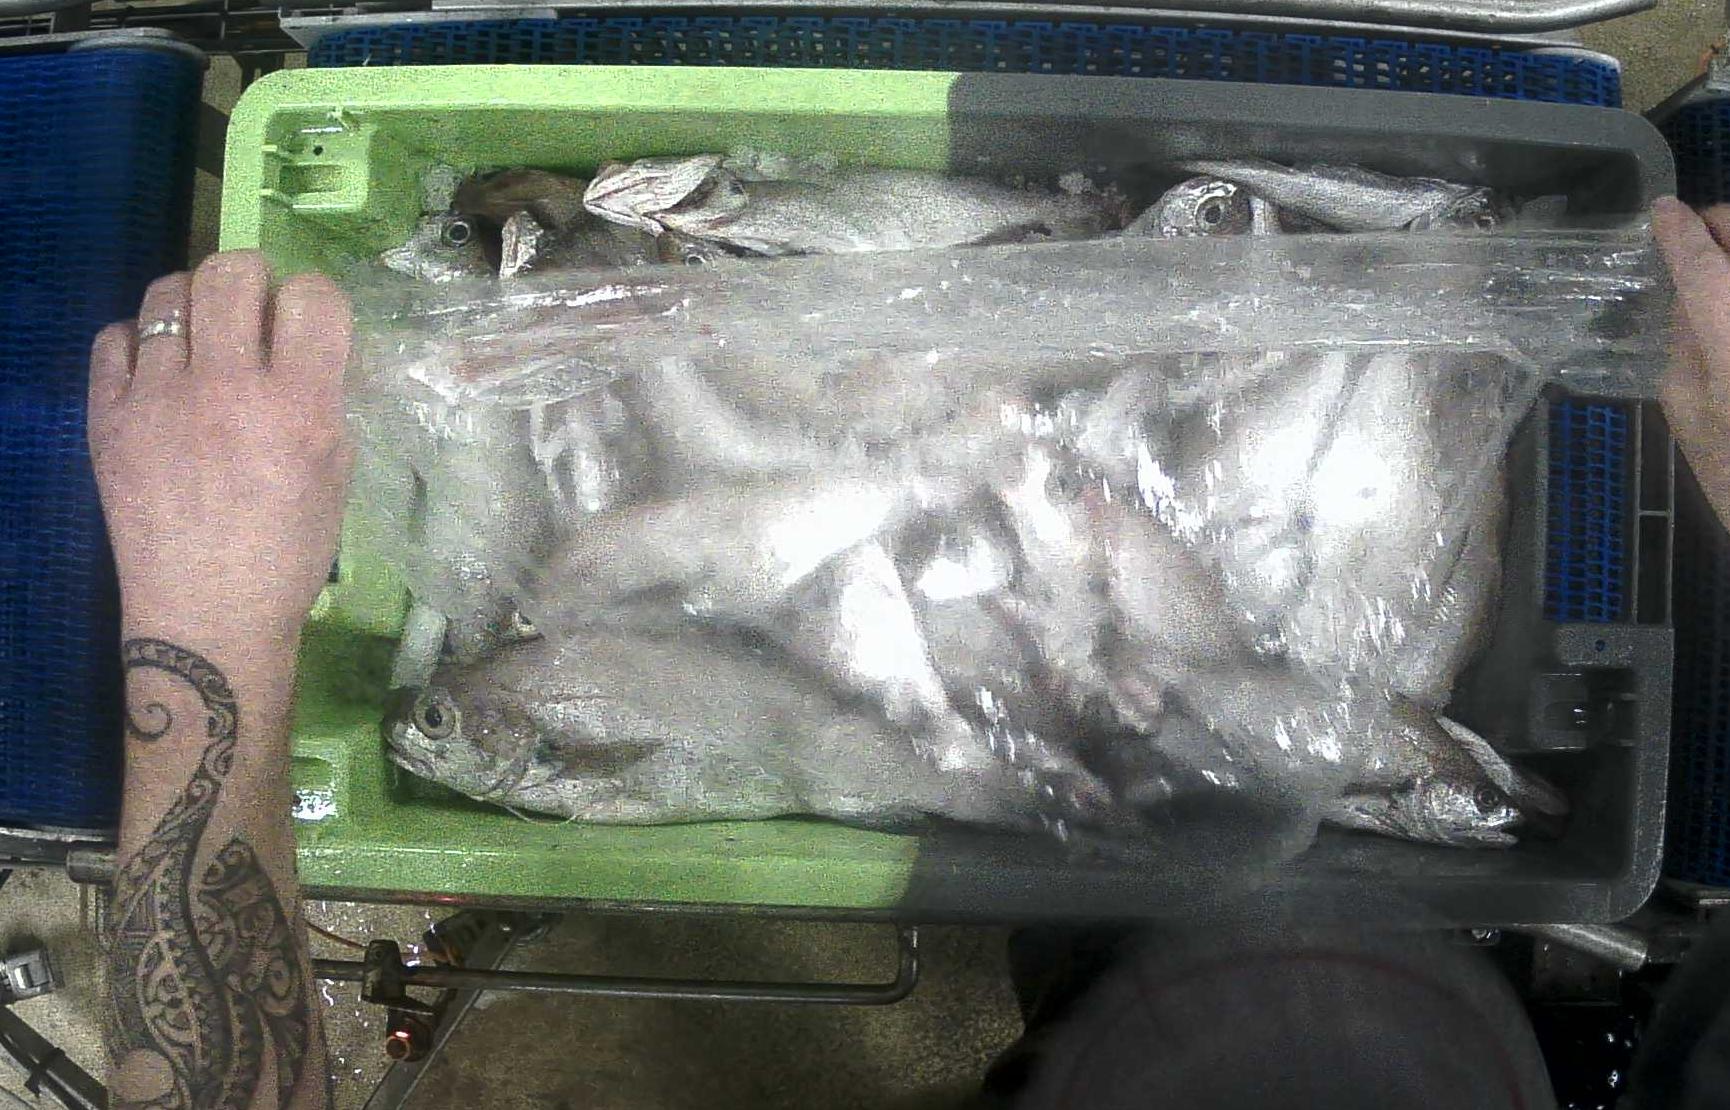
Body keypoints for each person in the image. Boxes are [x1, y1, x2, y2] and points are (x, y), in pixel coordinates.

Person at [84, 200, 1730, 1108]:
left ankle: (1100, 955)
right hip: (1372, 1013)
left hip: (1296, 990)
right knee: (1177, 861)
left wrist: (213, 614)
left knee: (1148, 866)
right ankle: (1109, 948)